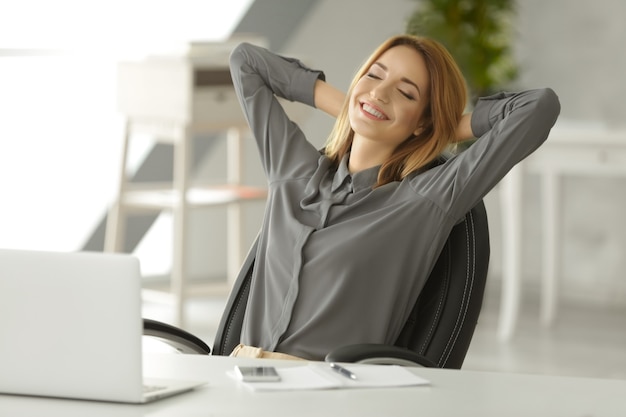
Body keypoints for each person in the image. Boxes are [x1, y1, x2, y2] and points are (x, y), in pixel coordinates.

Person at [227, 34, 560, 361]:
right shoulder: (294, 171)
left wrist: (440, 128)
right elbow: (246, 61)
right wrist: (357, 105)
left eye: (405, 93)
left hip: (327, 394)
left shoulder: (425, 201)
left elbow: (539, 107)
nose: (380, 91)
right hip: (238, 380)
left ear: (423, 120)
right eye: (373, 75)